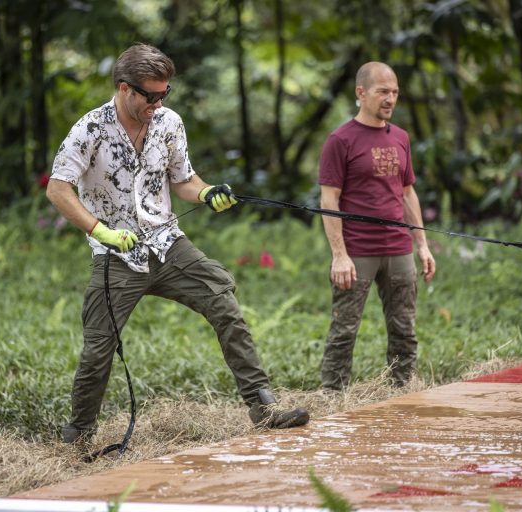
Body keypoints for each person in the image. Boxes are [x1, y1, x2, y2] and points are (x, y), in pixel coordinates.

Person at [46, 43, 309, 444]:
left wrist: (206, 193)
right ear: (124, 89)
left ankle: (263, 407)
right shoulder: (91, 129)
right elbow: (58, 189)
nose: (157, 102)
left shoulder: (169, 123)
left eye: (164, 94)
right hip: (117, 254)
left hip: (168, 244)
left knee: (223, 300)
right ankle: (78, 434)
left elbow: (184, 180)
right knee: (99, 348)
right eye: (150, 96)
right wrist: (100, 231)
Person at [317, 61, 436, 391]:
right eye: (383, 91)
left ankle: (403, 390)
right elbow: (329, 201)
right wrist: (339, 255)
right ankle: (332, 396)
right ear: (361, 93)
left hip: (399, 248)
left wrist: (423, 245)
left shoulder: (401, 137)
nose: (390, 99)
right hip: (357, 252)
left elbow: (408, 192)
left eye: (395, 92)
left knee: (404, 328)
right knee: (344, 329)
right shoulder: (340, 140)